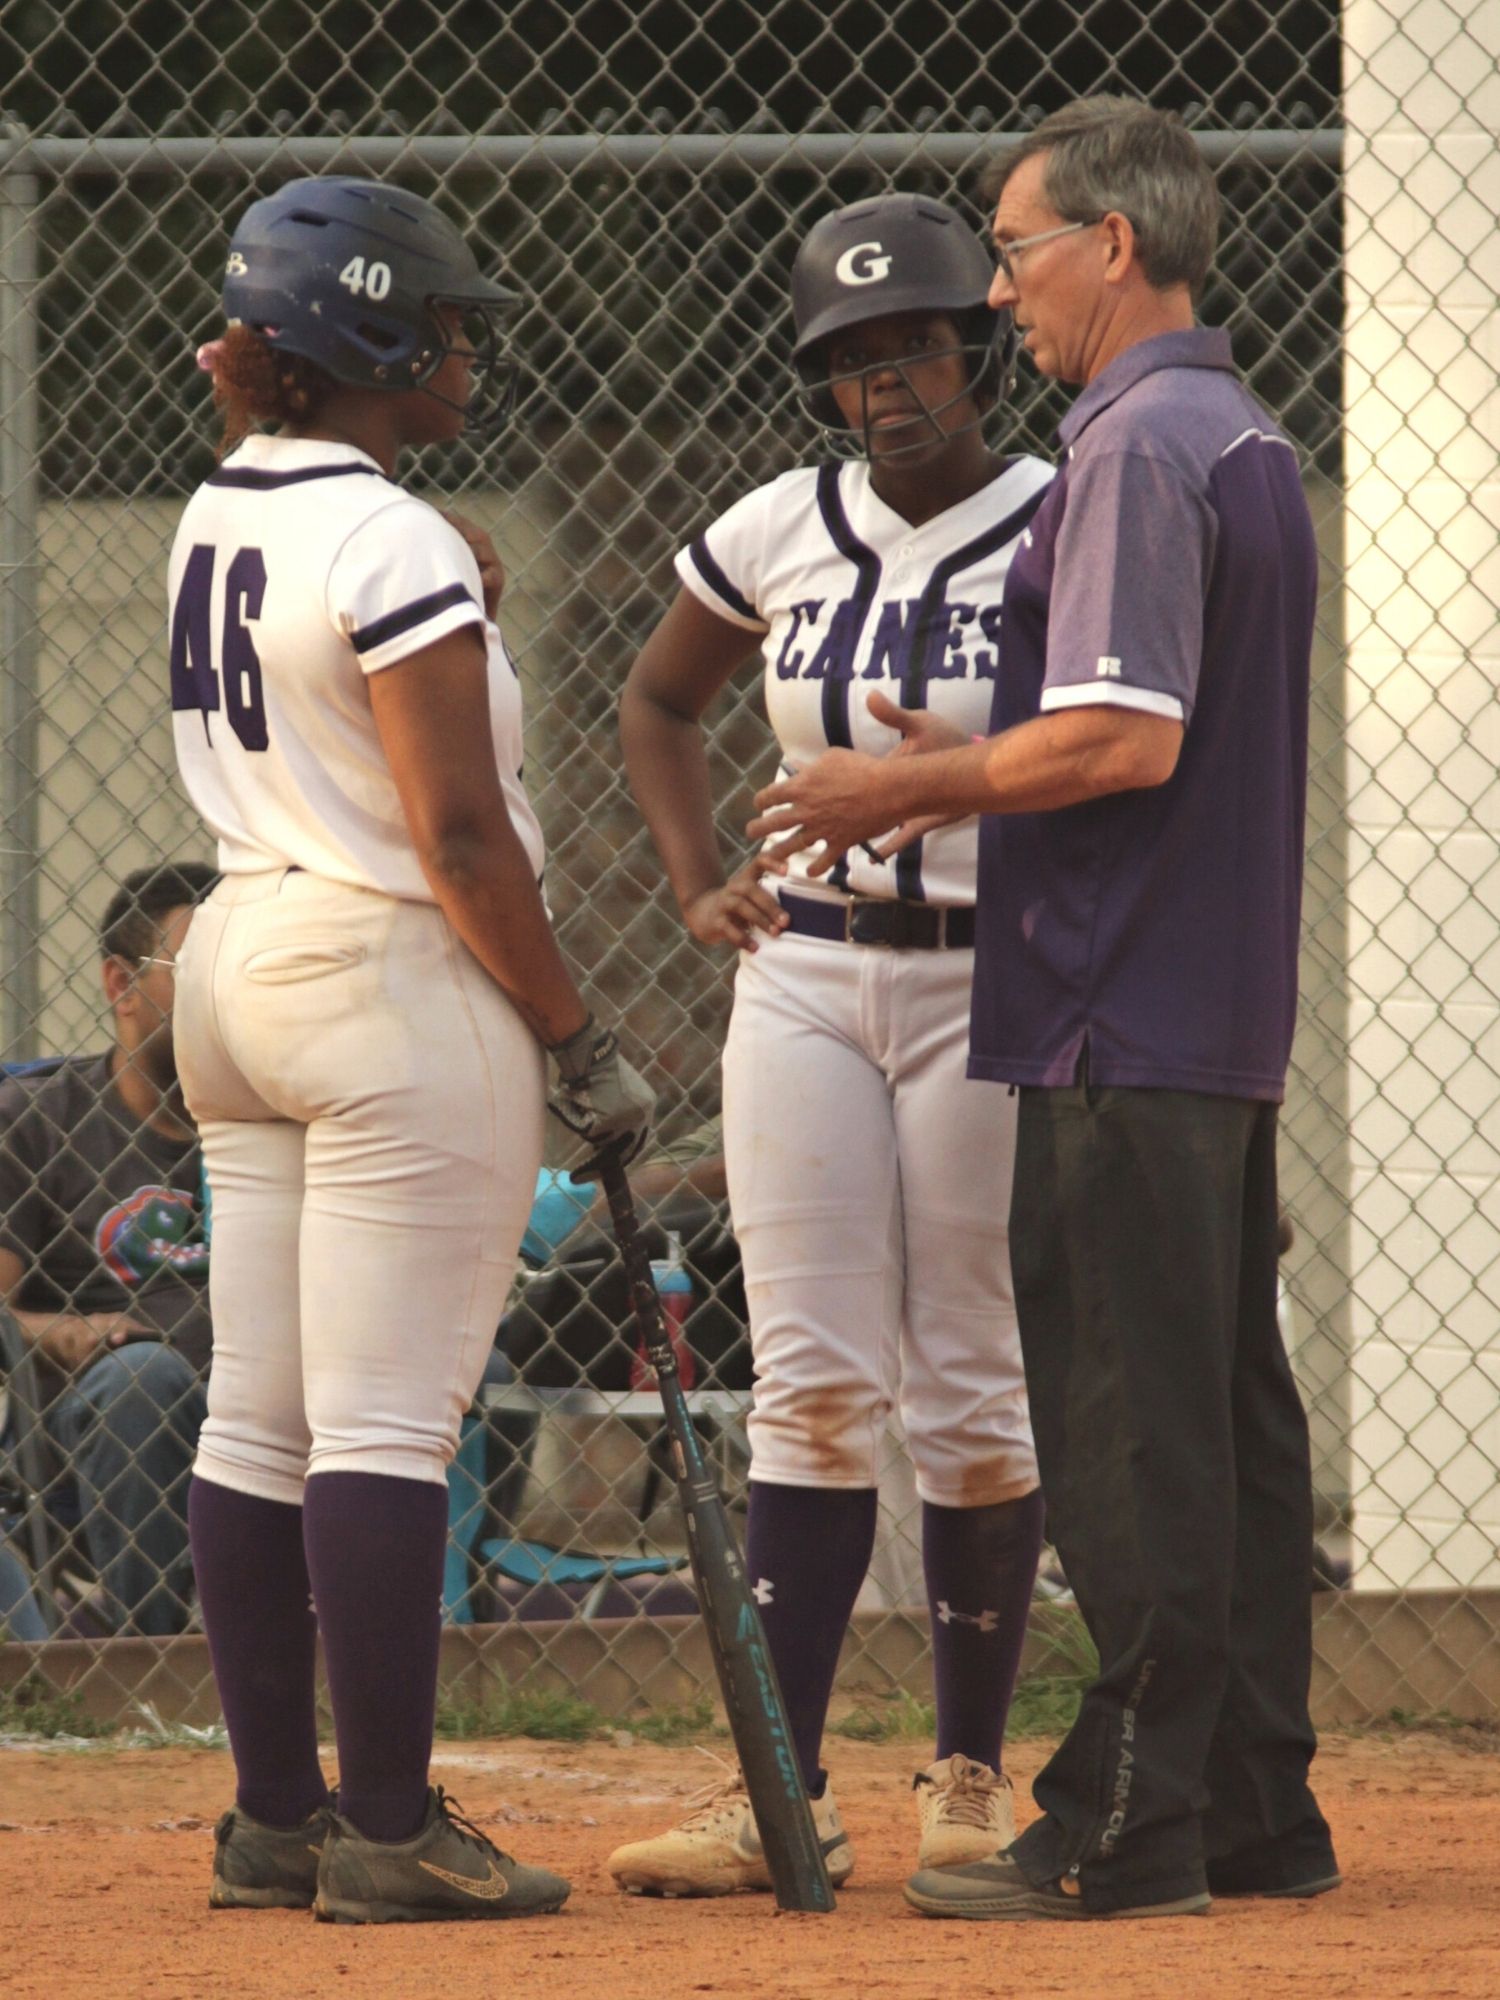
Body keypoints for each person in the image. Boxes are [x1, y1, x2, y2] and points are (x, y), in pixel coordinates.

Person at [750, 98, 1339, 1922]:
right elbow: (1117, 727)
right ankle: (1251, 1801)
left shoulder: (1142, 443)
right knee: (1224, 1419)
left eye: (1014, 250)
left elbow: (1122, 735)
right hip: (1198, 1011)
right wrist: (979, 757)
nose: (1001, 293)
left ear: (1115, 245)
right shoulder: (1230, 431)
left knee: (1131, 1428)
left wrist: (905, 792)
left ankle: (1126, 1821)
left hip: (1113, 1011)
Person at [172, 177, 652, 1925]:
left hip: (235, 957)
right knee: (382, 1422)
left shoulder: (237, 500)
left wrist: (457, 575)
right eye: (437, 324)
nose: (463, 347)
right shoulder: (395, 540)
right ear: (364, 340)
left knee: (259, 1415)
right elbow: (460, 837)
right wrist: (574, 1032)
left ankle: (277, 1817)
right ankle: (387, 1828)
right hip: (381, 969)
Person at [611, 193, 1051, 1898]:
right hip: (801, 974)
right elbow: (661, 702)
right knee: (805, 1382)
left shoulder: (1062, 518)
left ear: (977, 347)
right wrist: (693, 878)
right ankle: (779, 1794)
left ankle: (967, 1775)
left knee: (972, 1384)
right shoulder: (782, 525)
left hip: (983, 977)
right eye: (853, 360)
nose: (889, 383)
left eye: (916, 344)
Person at [0, 863, 215, 1635]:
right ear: (121, 984)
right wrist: (62, 1331)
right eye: (201, 968)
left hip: (270, 1402)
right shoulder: (38, 1121)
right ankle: (153, 1670)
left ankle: (446, 1650)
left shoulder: (284, 1120)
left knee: (469, 1370)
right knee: (144, 1380)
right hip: (99, 1425)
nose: (227, 993)